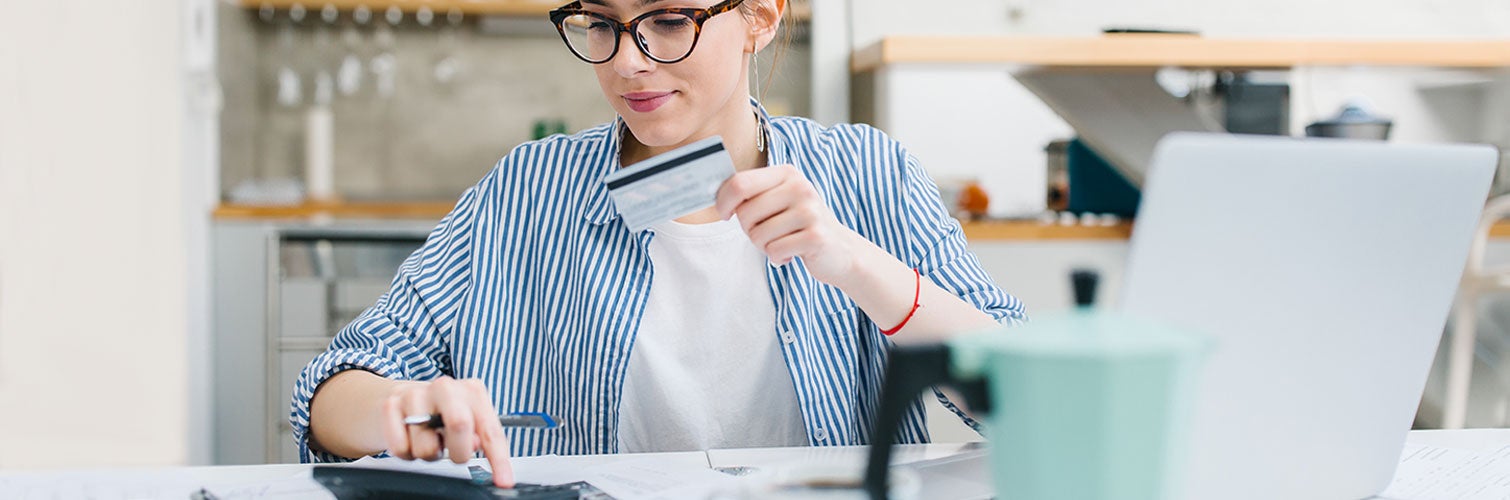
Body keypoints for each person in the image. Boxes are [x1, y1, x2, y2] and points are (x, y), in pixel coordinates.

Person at [290, 0, 1025, 487]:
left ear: (761, 17)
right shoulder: (528, 188)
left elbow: (1033, 401)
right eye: (601, 22)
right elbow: (330, 389)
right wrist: (404, 406)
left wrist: (859, 266)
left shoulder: (870, 173)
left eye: (669, 20)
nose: (627, 62)